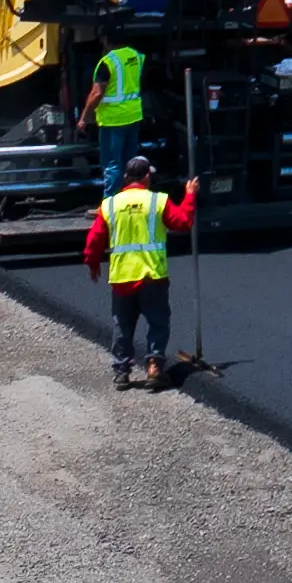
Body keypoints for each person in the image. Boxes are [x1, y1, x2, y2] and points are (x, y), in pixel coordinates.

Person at [84, 169, 194, 390]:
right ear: (145, 177)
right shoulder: (157, 200)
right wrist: (190, 195)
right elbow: (183, 222)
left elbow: (96, 237)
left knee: (122, 325)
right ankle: (154, 365)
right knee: (158, 322)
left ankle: (122, 371)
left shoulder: (110, 205)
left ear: (126, 178)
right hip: (152, 276)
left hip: (123, 277)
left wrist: (92, 262)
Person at [87, 36, 154, 195]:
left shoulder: (108, 62)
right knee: (130, 163)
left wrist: (84, 117)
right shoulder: (137, 56)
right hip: (133, 116)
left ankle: (110, 205)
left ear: (105, 41)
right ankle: (130, 197)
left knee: (112, 165)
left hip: (113, 120)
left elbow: (96, 93)